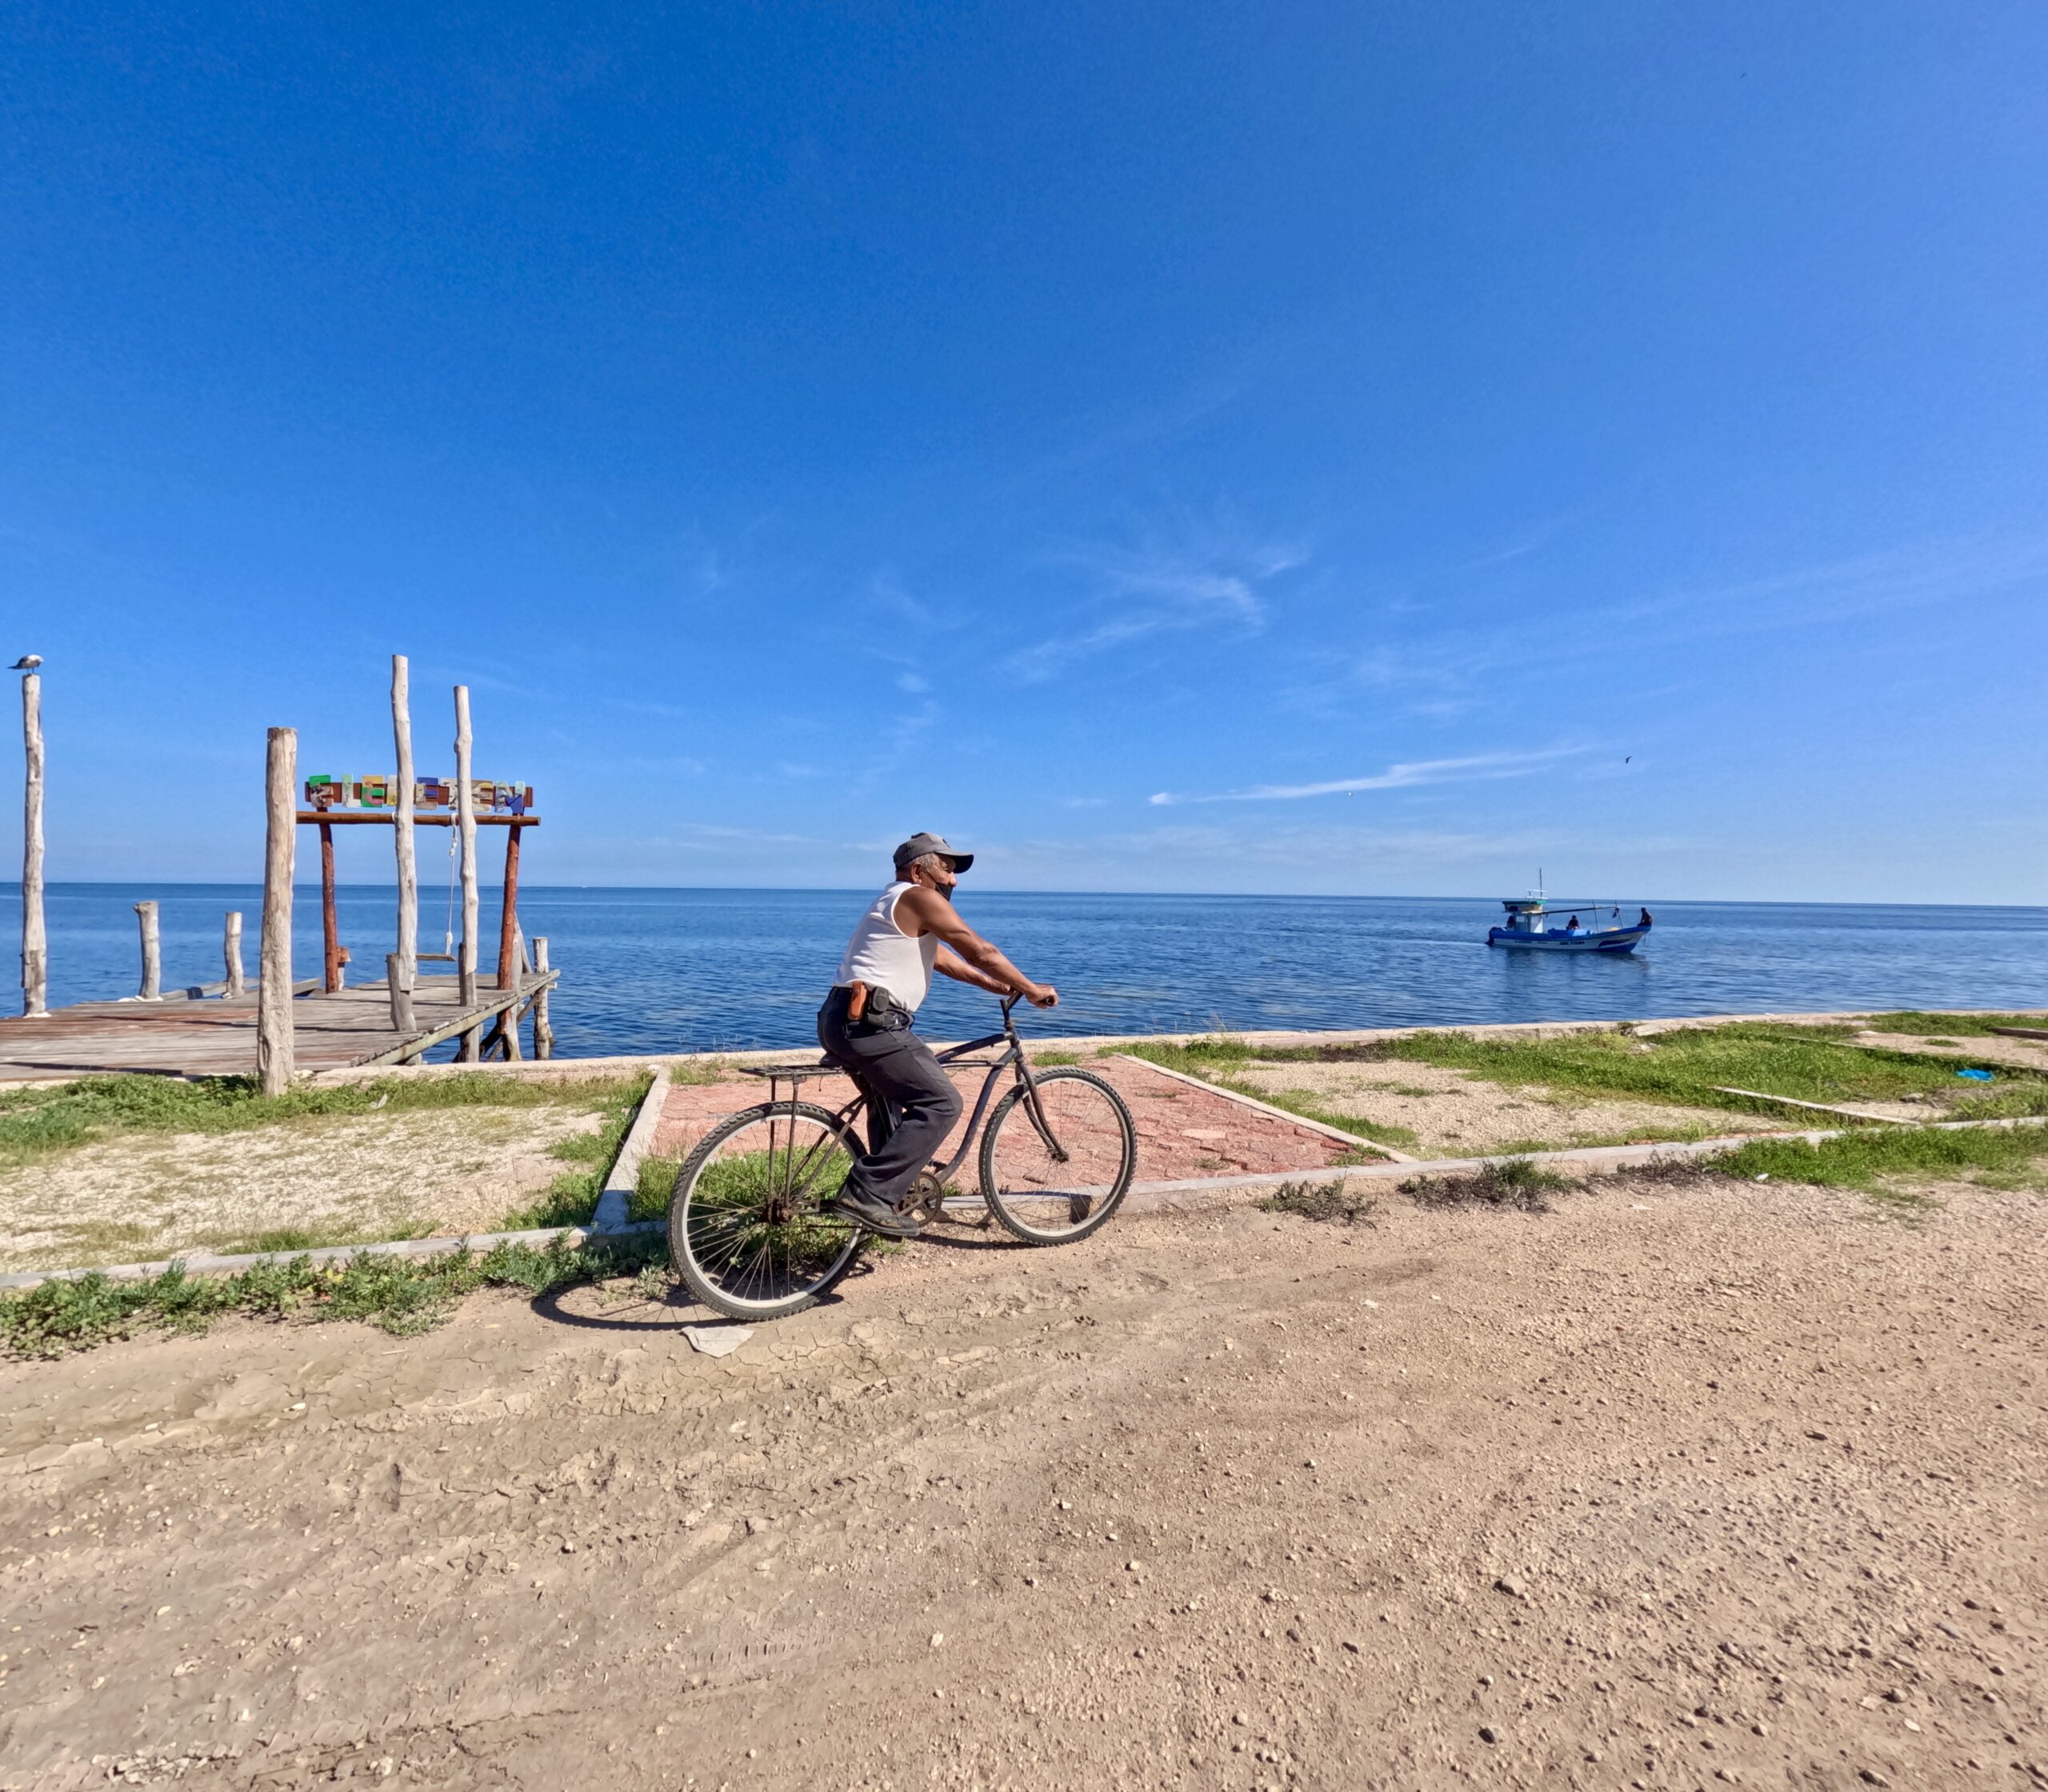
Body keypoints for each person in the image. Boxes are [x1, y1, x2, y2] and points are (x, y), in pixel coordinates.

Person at [817, 833, 1058, 1238]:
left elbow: (946, 959)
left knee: (889, 1102)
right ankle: (867, 1194)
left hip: (842, 1019)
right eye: (946, 869)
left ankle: (887, 1201)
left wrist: (996, 986)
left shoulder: (893, 902)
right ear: (917, 871)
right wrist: (1032, 989)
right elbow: (979, 950)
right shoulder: (916, 896)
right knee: (943, 1102)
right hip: (872, 1023)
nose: (954, 880)